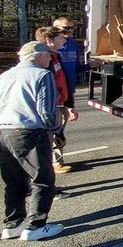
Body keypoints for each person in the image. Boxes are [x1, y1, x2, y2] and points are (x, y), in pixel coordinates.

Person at [0, 41, 64, 241]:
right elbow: (46, 110)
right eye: (48, 56)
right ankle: (36, 226)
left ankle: (13, 224)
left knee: (14, 180)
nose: (51, 59)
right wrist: (56, 130)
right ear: (38, 56)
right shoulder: (42, 75)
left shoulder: (4, 76)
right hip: (29, 132)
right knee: (43, 179)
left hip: (2, 131)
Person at [35, 26, 76, 174]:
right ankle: (49, 168)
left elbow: (63, 82)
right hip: (52, 107)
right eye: (60, 38)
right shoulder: (43, 61)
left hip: (60, 104)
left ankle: (56, 162)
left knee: (58, 136)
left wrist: (68, 105)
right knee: (50, 136)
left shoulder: (55, 57)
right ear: (48, 41)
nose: (64, 39)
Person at [52, 17, 88, 88]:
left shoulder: (74, 44)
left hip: (69, 89)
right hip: (54, 89)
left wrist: (91, 66)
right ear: (55, 28)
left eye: (72, 28)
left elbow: (77, 68)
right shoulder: (49, 45)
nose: (70, 30)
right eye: (67, 28)